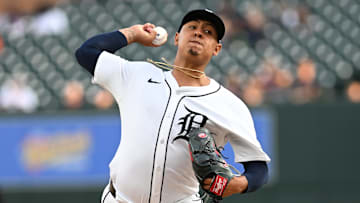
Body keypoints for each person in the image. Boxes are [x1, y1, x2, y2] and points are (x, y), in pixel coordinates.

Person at [75, 9, 270, 203]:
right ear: (177, 38)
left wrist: (238, 184)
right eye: (192, 27)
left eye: (208, 32)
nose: (198, 32)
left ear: (216, 49)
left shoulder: (229, 105)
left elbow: (258, 169)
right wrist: (133, 34)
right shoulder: (138, 75)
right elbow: (86, 53)